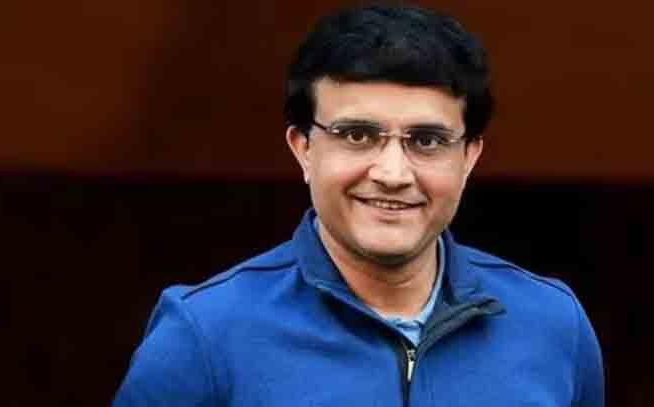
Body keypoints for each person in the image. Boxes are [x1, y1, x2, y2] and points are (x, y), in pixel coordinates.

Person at [114, 3, 604, 406]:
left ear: (469, 156)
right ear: (303, 149)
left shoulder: (551, 324)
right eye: (357, 135)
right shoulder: (204, 335)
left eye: (427, 140)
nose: (392, 174)